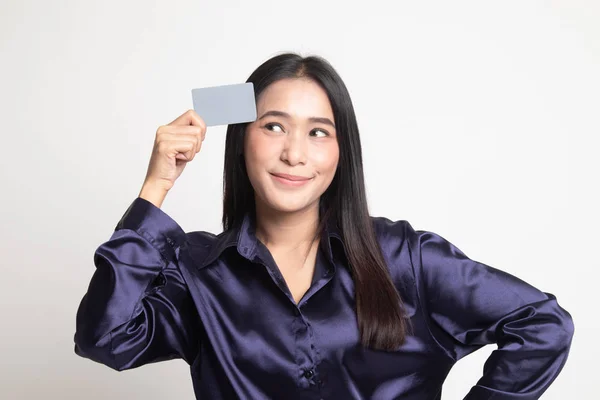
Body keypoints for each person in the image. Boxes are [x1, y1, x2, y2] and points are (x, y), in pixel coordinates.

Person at [74, 53, 574, 400]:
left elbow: (543, 324)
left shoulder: (406, 258)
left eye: (318, 132)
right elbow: (104, 337)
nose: (294, 153)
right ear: (241, 140)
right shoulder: (198, 271)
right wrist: (156, 186)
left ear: (340, 151)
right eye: (273, 126)